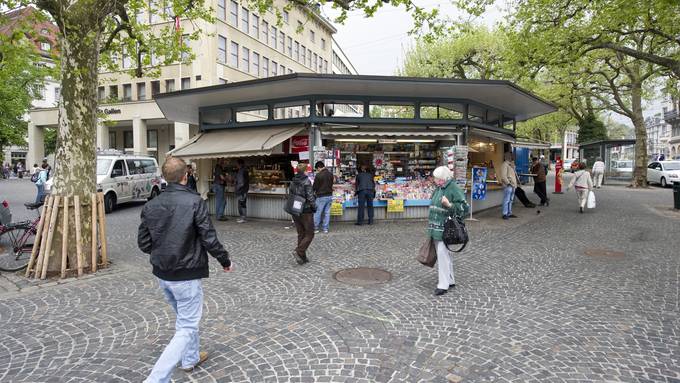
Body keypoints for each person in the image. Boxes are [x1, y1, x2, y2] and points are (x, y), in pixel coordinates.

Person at [138, 157, 233, 383]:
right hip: (187, 274)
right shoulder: (194, 202)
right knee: (187, 326)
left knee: (184, 319)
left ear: (164, 178)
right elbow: (208, 238)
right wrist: (225, 260)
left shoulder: (151, 205)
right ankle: (156, 379)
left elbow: (143, 243)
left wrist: (162, 250)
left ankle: (190, 358)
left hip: (163, 273)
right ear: (186, 176)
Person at [427, 166, 468, 296]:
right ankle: (450, 280)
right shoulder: (439, 188)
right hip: (436, 228)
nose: (434, 180)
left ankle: (443, 285)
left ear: (443, 179)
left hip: (445, 228)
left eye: (437, 178)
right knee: (445, 255)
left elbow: (464, 208)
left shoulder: (453, 188)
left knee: (443, 256)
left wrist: (449, 205)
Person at [290, 162, 316, 265]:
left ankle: (302, 257)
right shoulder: (306, 181)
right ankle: (299, 251)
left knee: (301, 233)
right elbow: (310, 197)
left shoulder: (293, 181)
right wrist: (314, 207)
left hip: (295, 209)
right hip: (305, 210)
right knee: (310, 233)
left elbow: (291, 194)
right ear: (305, 171)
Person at [313, 161, 333, 234]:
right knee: (327, 213)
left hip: (321, 196)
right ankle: (325, 229)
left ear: (319, 167)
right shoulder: (331, 174)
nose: (317, 170)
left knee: (318, 212)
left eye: (317, 169)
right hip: (329, 195)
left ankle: (316, 228)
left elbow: (314, 187)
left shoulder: (318, 175)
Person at [499, 152, 518, 220]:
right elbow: (503, 176)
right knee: (506, 200)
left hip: (513, 185)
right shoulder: (504, 165)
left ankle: (509, 213)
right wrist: (508, 183)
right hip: (508, 185)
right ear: (508, 157)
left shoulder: (511, 164)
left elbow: (513, 174)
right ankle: (504, 213)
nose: (513, 157)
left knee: (511, 200)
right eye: (512, 156)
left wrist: (513, 166)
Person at [234, 159, 249, 223]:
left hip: (241, 191)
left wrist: (237, 188)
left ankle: (243, 218)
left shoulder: (241, 171)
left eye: (237, 164)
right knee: (242, 204)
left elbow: (241, 183)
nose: (236, 165)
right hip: (244, 190)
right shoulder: (244, 170)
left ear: (239, 164)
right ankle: (242, 217)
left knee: (242, 204)